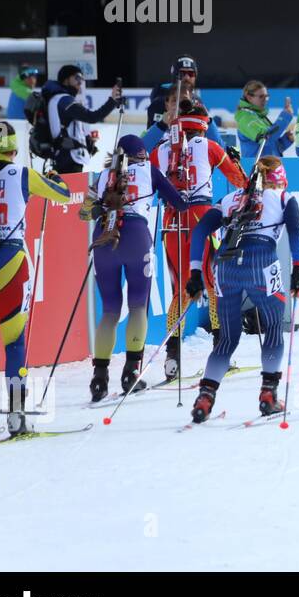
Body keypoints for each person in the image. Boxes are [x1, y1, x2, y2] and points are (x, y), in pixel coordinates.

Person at [0, 122, 77, 437]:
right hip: (9, 260)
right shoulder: (22, 174)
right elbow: (63, 194)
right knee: (14, 343)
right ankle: (16, 415)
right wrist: (53, 177)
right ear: (14, 148)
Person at [184, 157, 299, 422]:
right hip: (262, 261)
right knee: (273, 326)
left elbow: (200, 231)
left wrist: (195, 271)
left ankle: (205, 397)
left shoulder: (231, 199)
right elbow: (296, 232)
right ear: (279, 179)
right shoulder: (284, 197)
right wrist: (298, 268)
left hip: (225, 267)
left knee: (227, 338)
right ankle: (269, 395)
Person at [84, 135, 189, 401]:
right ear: (141, 155)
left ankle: (99, 378)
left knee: (109, 310)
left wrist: (98, 208)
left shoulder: (105, 174)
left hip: (104, 237)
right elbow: (179, 203)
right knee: (138, 306)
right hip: (136, 237)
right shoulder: (149, 170)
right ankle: (131, 372)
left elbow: (84, 212)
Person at [151, 103, 248, 380]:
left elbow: (144, 175)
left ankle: (172, 358)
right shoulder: (208, 146)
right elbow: (239, 180)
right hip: (201, 216)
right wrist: (236, 160)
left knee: (181, 290)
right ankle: (220, 354)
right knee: (211, 284)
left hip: (171, 219)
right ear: (203, 124)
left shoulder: (162, 149)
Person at [33, 66, 123, 174]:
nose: (80, 82)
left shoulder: (58, 99)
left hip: (63, 156)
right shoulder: (64, 100)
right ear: (66, 79)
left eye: (82, 79)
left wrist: (87, 141)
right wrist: (112, 101)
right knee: (72, 190)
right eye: (77, 78)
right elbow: (92, 116)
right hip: (69, 158)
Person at [234, 81, 295, 159]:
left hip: (268, 166)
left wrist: (286, 139)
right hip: (256, 168)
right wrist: (285, 117)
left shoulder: (260, 117)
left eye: (267, 96)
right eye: (261, 96)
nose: (265, 99)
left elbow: (270, 148)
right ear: (249, 97)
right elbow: (266, 140)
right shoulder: (245, 118)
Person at [147, 56, 199, 128]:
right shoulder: (159, 101)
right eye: (182, 73)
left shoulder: (198, 103)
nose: (187, 78)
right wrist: (163, 123)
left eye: (191, 74)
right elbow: (151, 136)